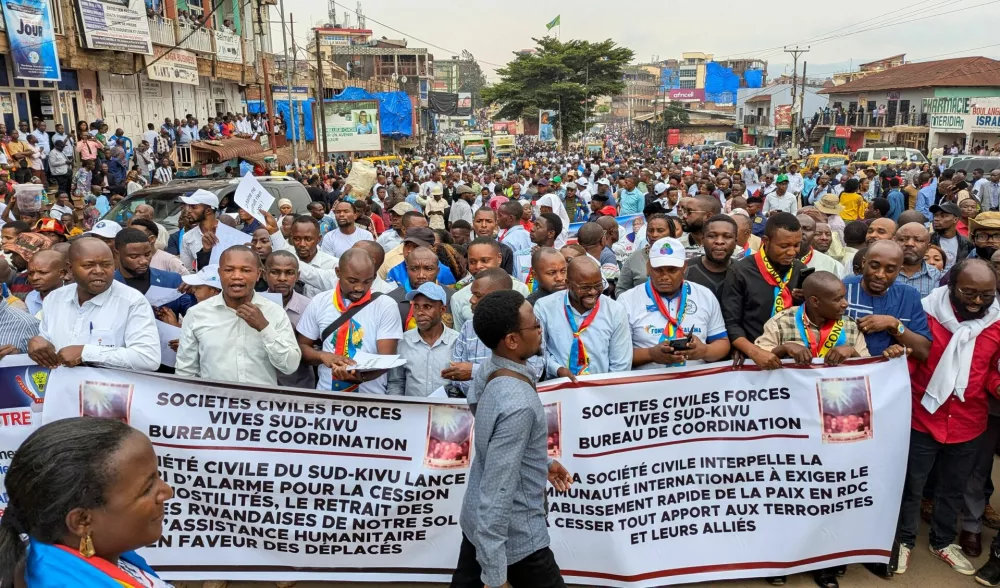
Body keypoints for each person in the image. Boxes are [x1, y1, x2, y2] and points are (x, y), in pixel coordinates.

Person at [451, 289, 571, 588]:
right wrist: (495, 577)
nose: (540, 330)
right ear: (512, 340)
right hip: (515, 538)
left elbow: (486, 421)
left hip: (477, 525)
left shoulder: (489, 368)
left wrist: (539, 462)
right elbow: (497, 490)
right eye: (535, 325)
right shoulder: (518, 404)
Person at [897, 260, 1000, 578]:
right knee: (912, 485)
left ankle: (942, 542)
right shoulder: (924, 313)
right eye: (969, 292)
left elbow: (991, 372)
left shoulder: (997, 324)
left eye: (987, 295)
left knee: (953, 487)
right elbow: (909, 362)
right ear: (951, 286)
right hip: (922, 415)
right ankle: (904, 541)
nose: (978, 301)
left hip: (969, 420)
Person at [0, 418, 174, 588]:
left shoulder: (97, 550)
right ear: (82, 521)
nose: (167, 492)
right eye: (147, 489)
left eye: (157, 476)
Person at [27, 238, 160, 371]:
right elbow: (48, 339)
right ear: (70, 268)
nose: (98, 271)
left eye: (106, 265)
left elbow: (148, 358)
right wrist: (38, 342)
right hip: (59, 382)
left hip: (108, 384)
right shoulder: (54, 298)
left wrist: (86, 353)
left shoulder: (132, 301)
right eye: (88, 265)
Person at [176, 245, 300, 385]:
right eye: (229, 270)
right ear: (219, 273)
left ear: (258, 274)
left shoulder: (275, 312)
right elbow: (185, 372)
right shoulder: (196, 314)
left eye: (246, 270)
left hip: (260, 398)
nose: (236, 276)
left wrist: (265, 328)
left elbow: (290, 366)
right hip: (214, 398)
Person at [296, 249, 402, 393]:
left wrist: (361, 377)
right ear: (338, 272)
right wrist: (322, 356)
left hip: (370, 398)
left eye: (367, 281)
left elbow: (386, 359)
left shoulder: (386, 305)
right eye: (352, 281)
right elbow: (302, 347)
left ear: (374, 276)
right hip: (326, 395)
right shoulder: (320, 302)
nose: (359, 288)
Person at [619, 236, 730, 370]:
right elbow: (618, 355)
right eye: (658, 270)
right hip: (648, 382)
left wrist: (704, 351)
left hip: (695, 382)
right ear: (648, 267)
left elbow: (722, 343)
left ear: (684, 267)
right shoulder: (627, 300)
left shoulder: (704, 295)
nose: (665, 276)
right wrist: (651, 354)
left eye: (672, 270)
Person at [722, 213, 807, 372]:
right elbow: (731, 323)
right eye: (784, 246)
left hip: (796, 359)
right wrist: (753, 351)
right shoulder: (740, 271)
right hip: (755, 359)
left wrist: (804, 301)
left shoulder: (800, 270)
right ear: (766, 241)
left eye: (796, 245)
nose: (791, 252)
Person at [535, 256, 631, 378]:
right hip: (559, 385)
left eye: (598, 285)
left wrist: (606, 387)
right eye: (585, 288)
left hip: (603, 386)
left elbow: (620, 364)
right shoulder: (544, 308)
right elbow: (538, 352)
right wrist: (557, 369)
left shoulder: (615, 311)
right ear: (568, 284)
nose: (593, 292)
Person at [755, 271, 876, 366]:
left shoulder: (850, 326)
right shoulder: (781, 322)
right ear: (815, 301)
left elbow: (868, 368)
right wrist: (784, 348)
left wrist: (852, 352)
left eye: (844, 297)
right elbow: (757, 360)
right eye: (837, 299)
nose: (845, 303)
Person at [843, 240, 932, 359]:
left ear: (899, 270)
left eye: (890, 270)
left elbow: (923, 351)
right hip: (846, 368)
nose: (880, 274)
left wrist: (894, 324)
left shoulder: (909, 296)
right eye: (874, 266)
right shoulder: (843, 289)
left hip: (889, 369)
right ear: (864, 263)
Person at [386, 282, 457, 396]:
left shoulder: (457, 342)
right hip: (411, 408)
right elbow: (396, 383)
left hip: (446, 407)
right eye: (416, 306)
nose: (419, 312)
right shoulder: (403, 342)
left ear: (442, 310)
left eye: (427, 307)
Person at [262, 250, 315, 389]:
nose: (282, 278)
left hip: (297, 385)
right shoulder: (254, 304)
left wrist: (297, 339)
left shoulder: (310, 307)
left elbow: (315, 349)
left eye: (289, 273)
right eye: (275, 272)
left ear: (298, 276)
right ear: (264, 275)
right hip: (261, 382)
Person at [451, 237, 529, 331]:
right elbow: (460, 334)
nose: (478, 266)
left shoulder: (520, 289)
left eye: (484, 260)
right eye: (472, 262)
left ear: (499, 258)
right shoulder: (458, 298)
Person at [684, 214, 738, 301]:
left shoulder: (744, 272)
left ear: (735, 242)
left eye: (727, 236)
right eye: (712, 236)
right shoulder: (685, 270)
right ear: (702, 240)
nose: (719, 242)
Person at [619, 214, 673, 293]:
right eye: (650, 230)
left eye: (660, 230)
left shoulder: (681, 255)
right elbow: (621, 289)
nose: (654, 235)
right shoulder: (635, 257)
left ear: (671, 233)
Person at [895, 222, 945, 297]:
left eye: (918, 240)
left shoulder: (936, 276)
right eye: (902, 239)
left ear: (927, 248)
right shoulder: (883, 272)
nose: (909, 244)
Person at [178, 189, 220, 272]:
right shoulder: (187, 238)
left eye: (193, 207)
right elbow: (187, 271)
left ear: (208, 211)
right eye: (189, 207)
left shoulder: (229, 233)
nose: (188, 211)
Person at [24, 249, 68, 317]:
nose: (34, 278)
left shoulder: (74, 298)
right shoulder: (31, 297)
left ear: (62, 273)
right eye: (30, 273)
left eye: (43, 273)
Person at [931, 202, 972, 271]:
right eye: (935, 215)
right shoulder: (928, 239)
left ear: (955, 220)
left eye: (943, 216)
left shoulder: (967, 243)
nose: (936, 219)